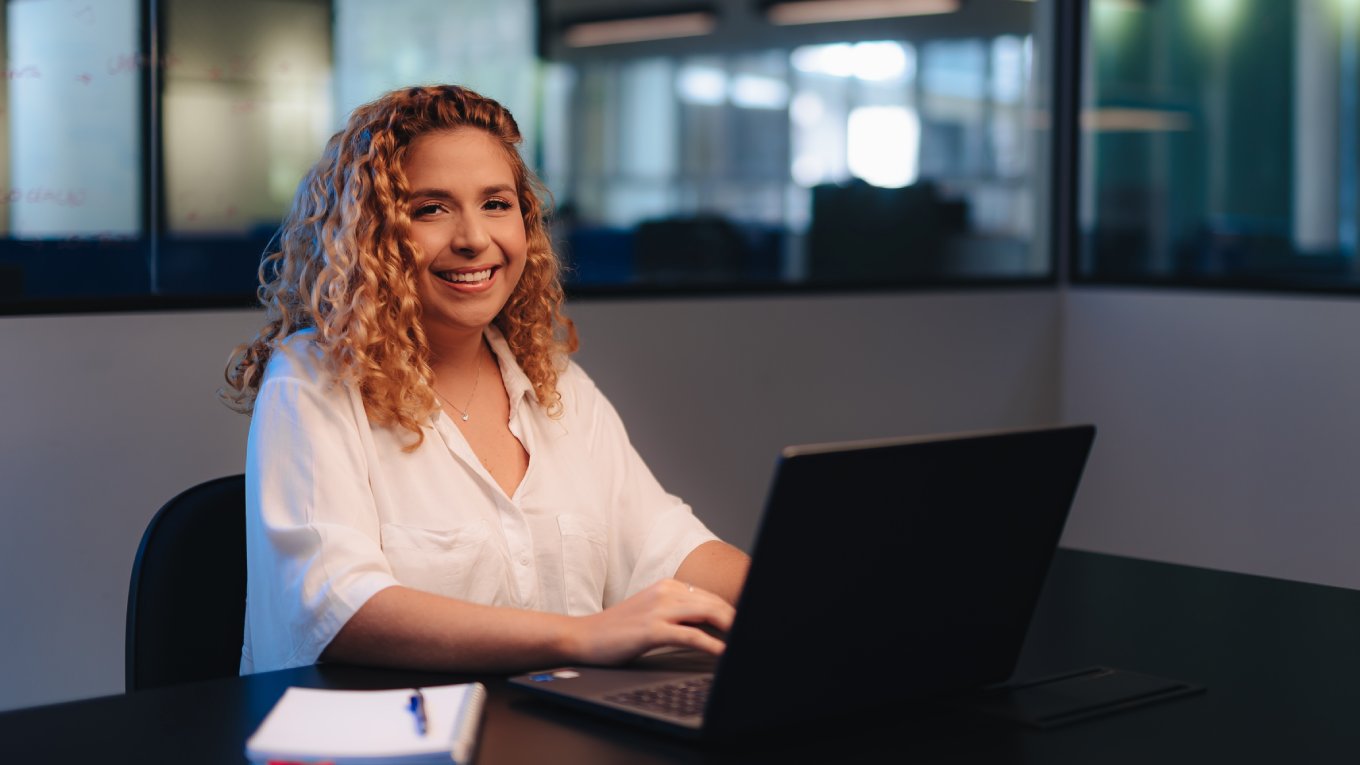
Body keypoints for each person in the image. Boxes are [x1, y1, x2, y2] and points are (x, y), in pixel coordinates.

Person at [221, 84, 750, 675]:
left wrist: (812, 597)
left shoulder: (557, 387)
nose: (474, 239)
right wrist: (580, 637)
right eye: (430, 209)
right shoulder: (313, 381)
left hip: (545, 728)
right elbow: (339, 608)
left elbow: (671, 548)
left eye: (496, 204)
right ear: (372, 236)